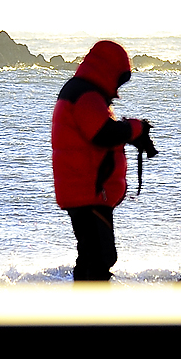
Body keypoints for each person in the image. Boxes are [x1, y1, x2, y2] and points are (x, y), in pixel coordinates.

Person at [51, 40, 156, 282]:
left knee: (91, 256)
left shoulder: (82, 92)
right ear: (108, 71)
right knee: (101, 257)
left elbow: (97, 132)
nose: (118, 87)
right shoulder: (85, 94)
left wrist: (129, 134)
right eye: (119, 79)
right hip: (87, 191)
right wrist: (135, 129)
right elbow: (101, 134)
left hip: (83, 190)